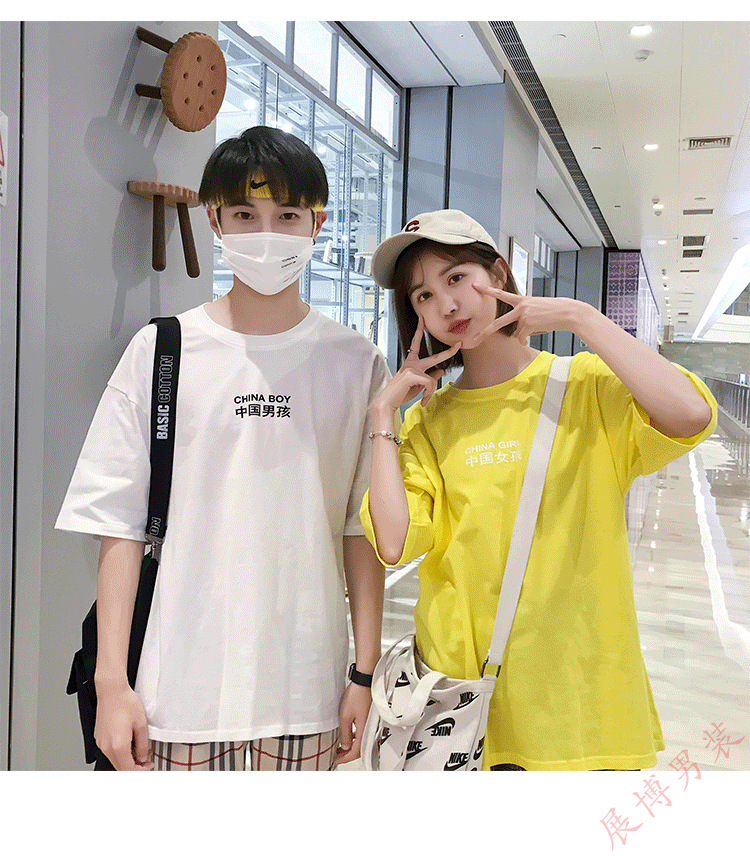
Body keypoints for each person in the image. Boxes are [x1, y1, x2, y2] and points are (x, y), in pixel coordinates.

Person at [56, 126, 389, 771]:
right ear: (215, 221)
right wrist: (111, 683)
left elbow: (361, 530)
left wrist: (364, 673)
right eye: (244, 214)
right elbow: (119, 527)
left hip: (307, 695)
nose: (267, 233)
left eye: (287, 215)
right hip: (171, 697)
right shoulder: (161, 352)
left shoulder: (356, 363)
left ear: (317, 225)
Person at [360, 209, 717, 771]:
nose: (446, 304)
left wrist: (579, 316)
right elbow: (394, 542)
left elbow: (690, 415)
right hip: (463, 699)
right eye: (424, 295)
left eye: (457, 278)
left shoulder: (584, 387)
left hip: (578, 700)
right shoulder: (429, 422)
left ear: (499, 275)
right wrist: (384, 413)